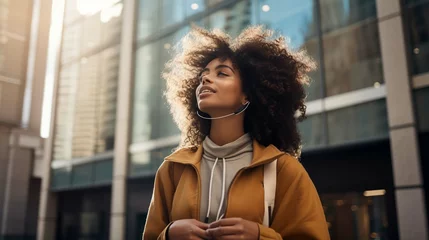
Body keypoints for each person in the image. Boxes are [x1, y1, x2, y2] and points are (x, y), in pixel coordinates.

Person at [142, 26, 330, 240]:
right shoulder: (173, 169)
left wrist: (259, 236)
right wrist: (169, 234)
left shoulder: (282, 169)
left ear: (247, 95)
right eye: (203, 75)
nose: (205, 79)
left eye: (222, 73)